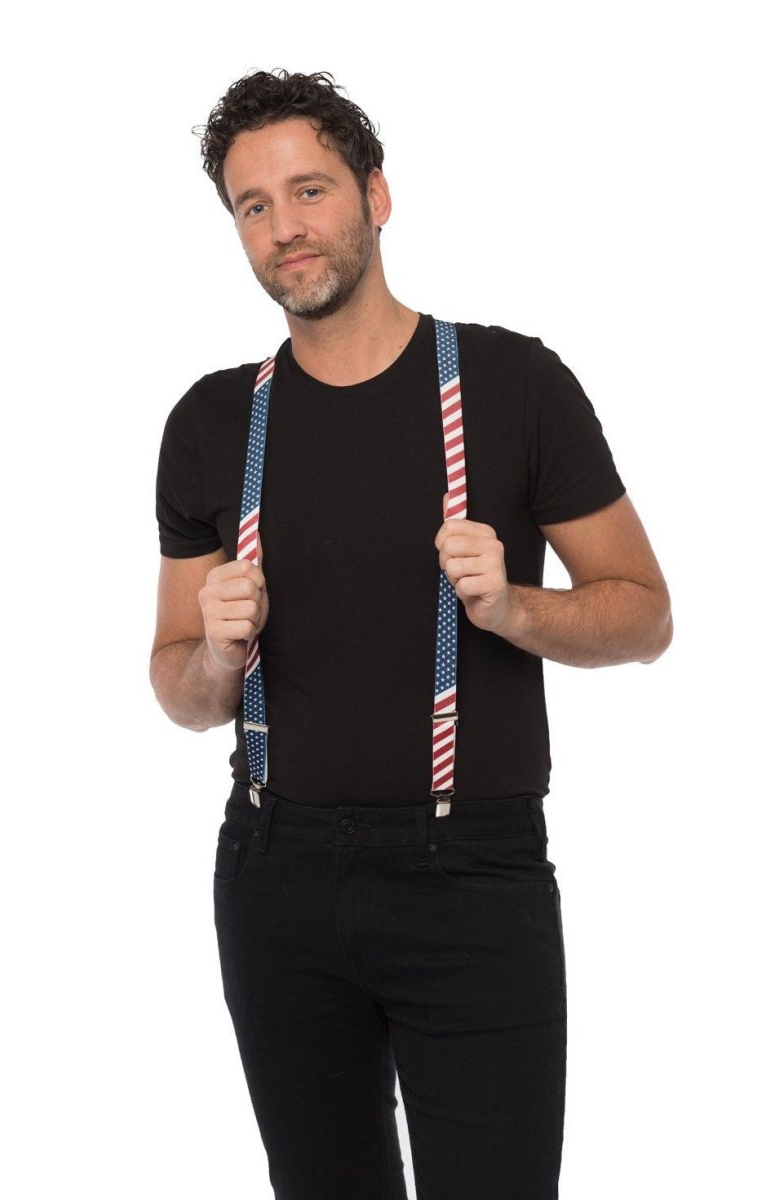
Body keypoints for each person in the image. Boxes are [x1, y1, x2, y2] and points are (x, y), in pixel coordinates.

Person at [149, 68, 672, 1200]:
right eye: (252, 205)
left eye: (310, 190)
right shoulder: (210, 423)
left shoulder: (514, 383)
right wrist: (215, 655)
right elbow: (177, 690)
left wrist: (515, 606)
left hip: (471, 875)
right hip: (274, 873)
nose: (285, 227)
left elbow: (644, 613)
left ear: (376, 196)